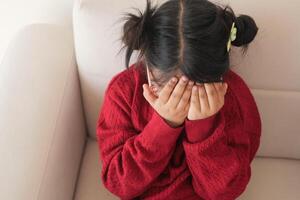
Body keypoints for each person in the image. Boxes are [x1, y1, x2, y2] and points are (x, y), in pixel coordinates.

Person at [96, 0, 262, 199]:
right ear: (148, 65)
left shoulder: (234, 97)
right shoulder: (123, 92)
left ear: (219, 74)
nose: (179, 101)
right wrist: (163, 126)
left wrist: (204, 129)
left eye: (195, 90)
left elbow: (226, 191)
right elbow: (118, 183)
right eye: (165, 89)